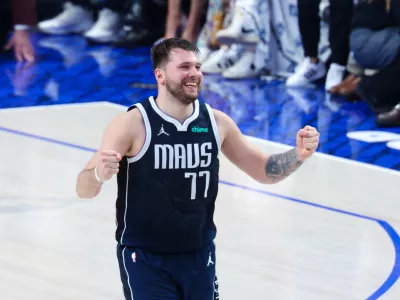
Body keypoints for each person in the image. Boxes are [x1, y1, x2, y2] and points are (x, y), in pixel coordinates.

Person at [75, 38, 320, 299]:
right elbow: (83, 189)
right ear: (160, 75)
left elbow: (263, 171)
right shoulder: (132, 123)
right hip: (145, 259)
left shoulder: (216, 122)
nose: (194, 74)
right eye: (184, 67)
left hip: (199, 256)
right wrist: (100, 174)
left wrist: (299, 155)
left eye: (198, 67)